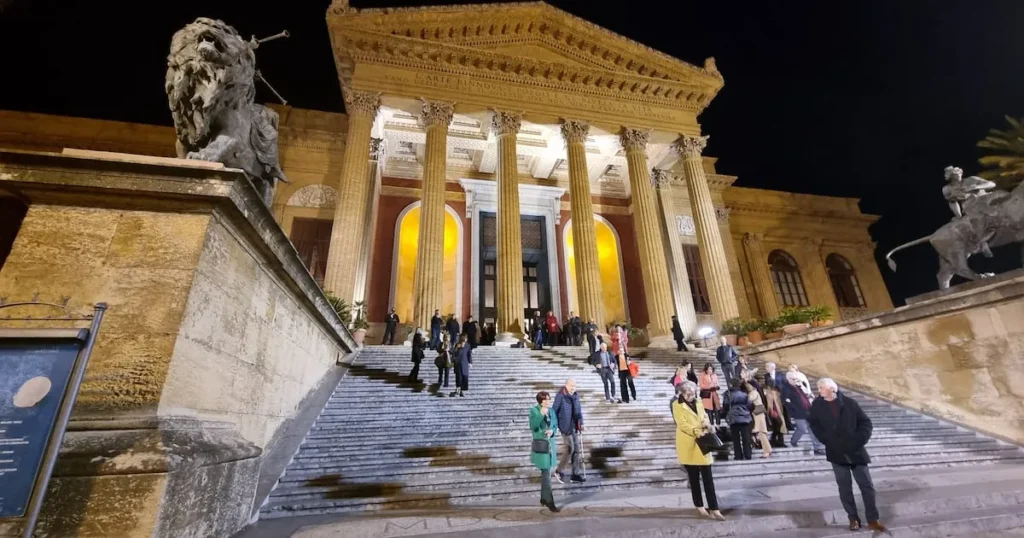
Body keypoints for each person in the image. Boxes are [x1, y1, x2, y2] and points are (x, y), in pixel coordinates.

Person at [809, 378, 887, 533]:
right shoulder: (817, 405)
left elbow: (865, 423)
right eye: (818, 387)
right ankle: (853, 518)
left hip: (856, 450)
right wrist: (826, 440)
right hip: (836, 452)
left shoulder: (850, 403)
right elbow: (814, 425)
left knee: (867, 486)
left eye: (821, 387)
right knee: (845, 488)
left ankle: (873, 519)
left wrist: (859, 439)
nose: (819, 390)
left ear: (831, 388)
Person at [671, 381, 725, 521]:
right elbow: (682, 424)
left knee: (708, 478)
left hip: (703, 443)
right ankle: (699, 506)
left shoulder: (699, 402)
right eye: (688, 394)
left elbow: (704, 416)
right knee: (694, 478)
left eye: (693, 394)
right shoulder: (677, 405)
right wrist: (696, 431)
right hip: (688, 442)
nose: (691, 396)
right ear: (682, 393)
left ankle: (714, 508)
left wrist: (707, 425)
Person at [529, 391, 561, 513]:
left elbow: (555, 424)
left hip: (550, 444)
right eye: (545, 400)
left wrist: (552, 431)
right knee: (546, 472)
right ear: (540, 401)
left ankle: (543, 498)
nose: (548, 401)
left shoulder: (551, 411)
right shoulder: (534, 410)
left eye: (548, 399)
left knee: (546, 473)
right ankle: (550, 501)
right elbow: (533, 425)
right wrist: (541, 414)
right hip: (541, 445)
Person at [552, 379, 586, 483]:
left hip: (575, 426)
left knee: (576, 450)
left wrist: (581, 423)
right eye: (571, 386)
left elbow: (579, 410)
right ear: (566, 385)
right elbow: (553, 411)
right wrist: (555, 425)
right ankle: (558, 471)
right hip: (565, 426)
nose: (573, 388)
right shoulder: (560, 396)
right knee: (569, 449)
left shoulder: (576, 395)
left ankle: (575, 474)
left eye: (574, 386)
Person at [786, 371, 824, 455]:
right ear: (788, 379)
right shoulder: (786, 389)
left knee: (813, 430)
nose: (795, 380)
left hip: (808, 411)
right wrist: (793, 410)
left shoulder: (799, 387)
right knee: (802, 429)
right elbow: (785, 402)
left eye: (796, 379)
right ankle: (793, 440)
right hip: (798, 413)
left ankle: (817, 448)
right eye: (793, 379)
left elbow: (804, 396)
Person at [724, 379, 753, 460]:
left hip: (733, 418)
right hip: (744, 417)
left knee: (736, 439)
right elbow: (750, 405)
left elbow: (725, 405)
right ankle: (748, 454)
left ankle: (738, 455)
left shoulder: (728, 394)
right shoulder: (744, 394)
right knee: (746, 438)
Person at [745, 379, 772, 458]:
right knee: (761, 433)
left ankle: (767, 451)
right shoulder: (755, 392)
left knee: (761, 432)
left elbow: (748, 400)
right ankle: (768, 450)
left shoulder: (753, 393)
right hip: (759, 412)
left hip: (758, 412)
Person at [763, 374, 789, 447]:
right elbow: (768, 403)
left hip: (778, 411)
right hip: (773, 411)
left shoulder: (775, 391)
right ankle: (776, 441)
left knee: (779, 427)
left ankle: (777, 441)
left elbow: (778, 402)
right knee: (779, 425)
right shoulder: (767, 392)